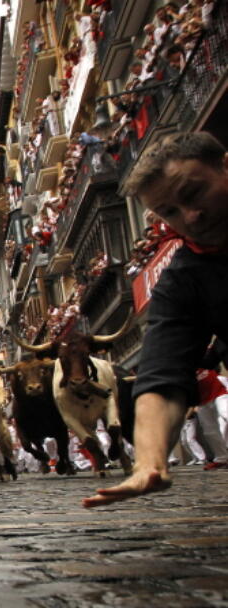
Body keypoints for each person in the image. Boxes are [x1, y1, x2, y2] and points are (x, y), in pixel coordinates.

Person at [85, 131, 228, 508]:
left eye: (194, 193)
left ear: (225, 166)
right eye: (169, 213)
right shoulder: (183, 278)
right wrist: (149, 462)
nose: (191, 217)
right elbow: (163, 373)